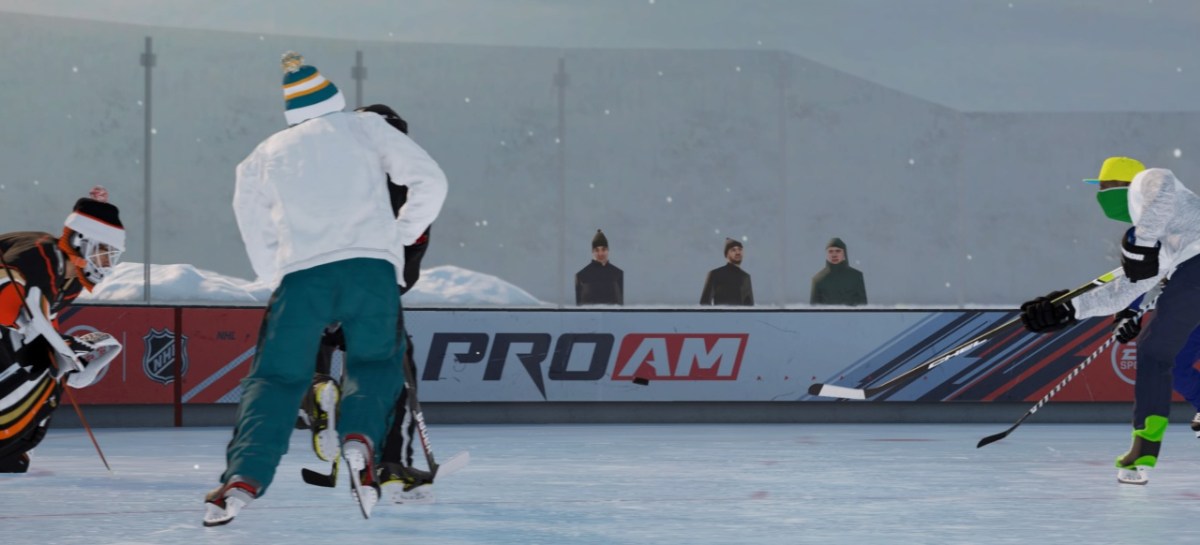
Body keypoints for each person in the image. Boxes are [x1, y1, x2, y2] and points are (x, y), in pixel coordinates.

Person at [205, 52, 447, 526]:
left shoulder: (261, 155)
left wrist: (275, 272)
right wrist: (396, 239)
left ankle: (242, 479)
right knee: (376, 365)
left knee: (274, 380)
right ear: (336, 99)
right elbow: (431, 183)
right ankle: (361, 441)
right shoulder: (368, 129)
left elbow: (253, 224)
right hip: (371, 272)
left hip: (302, 279)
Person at [1019, 156, 1200, 485]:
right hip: (1188, 274)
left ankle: (1145, 447)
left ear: (1123, 185)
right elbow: (1126, 289)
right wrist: (1068, 309)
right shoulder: (1160, 240)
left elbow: (1162, 188)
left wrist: (1141, 244)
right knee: (1158, 352)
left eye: (1104, 187)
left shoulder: (1149, 183)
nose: (1101, 196)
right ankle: (1145, 446)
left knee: (1156, 353)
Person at [296, 103, 437, 504]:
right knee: (393, 378)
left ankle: (319, 395)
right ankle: (390, 463)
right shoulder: (413, 190)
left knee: (305, 357)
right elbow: (409, 263)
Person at [0, 187, 125, 473]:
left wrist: (65, 352)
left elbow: (44, 319)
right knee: (33, 363)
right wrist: (56, 346)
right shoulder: (40, 253)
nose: (107, 264)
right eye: (104, 254)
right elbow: (11, 301)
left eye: (112, 257)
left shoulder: (72, 282)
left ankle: (11, 447)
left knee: (45, 368)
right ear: (81, 241)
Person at [810, 237, 868, 306]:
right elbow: (813, 309)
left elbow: (863, 306)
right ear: (826, 254)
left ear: (844, 253)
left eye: (838, 251)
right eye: (830, 251)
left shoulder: (856, 276)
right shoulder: (818, 279)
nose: (834, 255)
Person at [575, 229, 624, 305]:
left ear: (608, 250)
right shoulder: (581, 276)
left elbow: (621, 305)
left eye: (603, 249)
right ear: (592, 251)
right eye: (597, 250)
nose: (600, 253)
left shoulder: (618, 274)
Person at [699, 238, 753, 306]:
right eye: (733, 250)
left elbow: (750, 307)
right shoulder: (715, 274)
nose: (738, 252)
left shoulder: (746, 277)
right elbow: (704, 305)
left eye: (740, 249)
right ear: (726, 254)